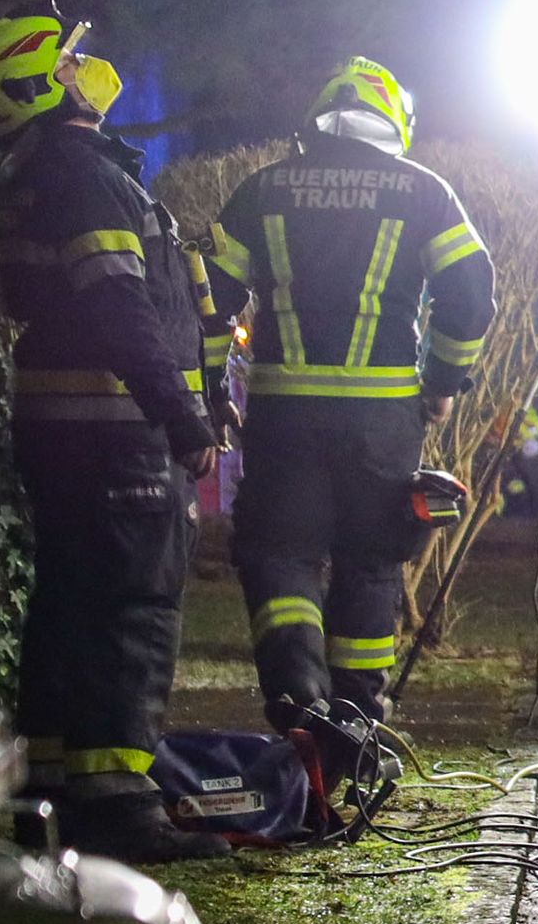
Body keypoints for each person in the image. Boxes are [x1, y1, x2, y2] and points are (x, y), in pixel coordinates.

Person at [0, 13, 227, 862]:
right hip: (119, 440)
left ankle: (50, 794)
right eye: (66, 62)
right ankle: (119, 808)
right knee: (131, 613)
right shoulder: (87, 179)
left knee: (68, 612)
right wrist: (183, 419)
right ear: (41, 86)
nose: (85, 69)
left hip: (66, 439)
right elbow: (119, 305)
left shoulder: (42, 178)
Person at [209, 58, 493, 736]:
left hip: (283, 416)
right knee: (372, 560)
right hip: (382, 420)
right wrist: (442, 385)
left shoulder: (260, 190)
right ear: (395, 122)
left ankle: (297, 698)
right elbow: (472, 300)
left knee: (280, 554)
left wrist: (210, 391)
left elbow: (209, 304)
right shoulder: (423, 192)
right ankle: (358, 721)